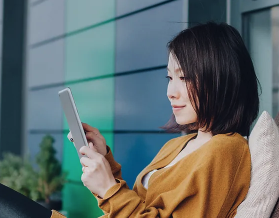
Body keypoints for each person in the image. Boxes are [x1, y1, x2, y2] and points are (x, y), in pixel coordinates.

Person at [0, 22, 259, 218]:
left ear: (221, 78)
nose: (171, 91)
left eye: (185, 78)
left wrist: (109, 188)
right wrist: (106, 164)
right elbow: (138, 206)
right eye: (170, 78)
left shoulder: (227, 150)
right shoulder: (180, 145)